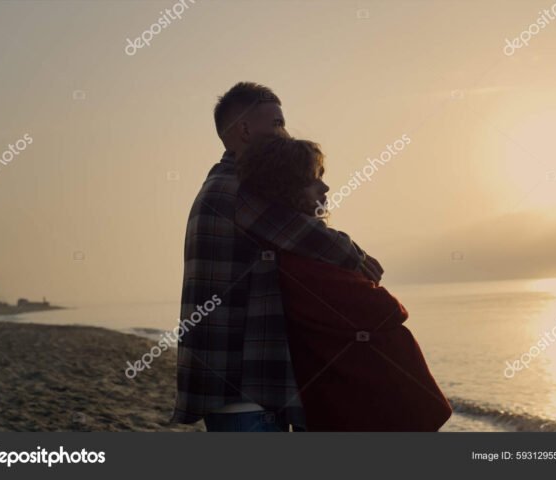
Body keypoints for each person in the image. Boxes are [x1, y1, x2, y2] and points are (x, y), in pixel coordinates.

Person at [172, 82, 383, 432]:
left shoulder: (224, 183)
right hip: (238, 385)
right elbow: (309, 236)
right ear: (244, 129)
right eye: (277, 123)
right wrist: (359, 258)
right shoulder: (235, 187)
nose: (284, 133)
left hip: (237, 385)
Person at [236, 135, 452, 431]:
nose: (325, 187)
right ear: (287, 189)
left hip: (360, 400)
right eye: (314, 180)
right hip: (363, 404)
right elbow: (386, 309)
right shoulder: (300, 262)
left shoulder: (303, 252)